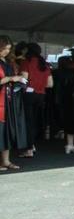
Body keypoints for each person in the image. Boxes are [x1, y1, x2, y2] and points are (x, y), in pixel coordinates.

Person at [19, 43, 52, 156]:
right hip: (41, 95)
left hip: (29, 94)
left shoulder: (26, 62)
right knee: (36, 121)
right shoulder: (45, 64)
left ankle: (29, 148)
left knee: (28, 121)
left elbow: (24, 79)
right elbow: (50, 84)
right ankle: (32, 144)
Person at [0, 36, 26, 170]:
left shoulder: (7, 61)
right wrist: (11, 78)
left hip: (8, 100)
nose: (5, 51)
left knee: (6, 132)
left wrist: (18, 79)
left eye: (8, 49)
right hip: (1, 101)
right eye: (4, 48)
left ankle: (6, 161)